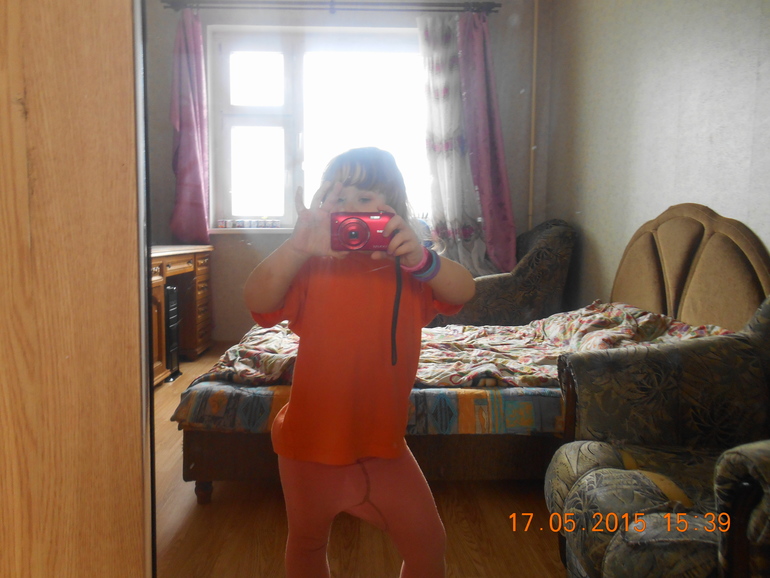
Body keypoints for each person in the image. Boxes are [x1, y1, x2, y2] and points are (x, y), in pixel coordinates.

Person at [243, 147, 475, 578]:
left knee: (428, 543)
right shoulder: (312, 266)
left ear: (392, 210)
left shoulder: (410, 270)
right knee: (308, 542)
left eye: (365, 198)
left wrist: (422, 259)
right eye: (337, 197)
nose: (349, 206)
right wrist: (296, 248)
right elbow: (257, 300)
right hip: (309, 446)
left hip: (383, 447)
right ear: (322, 206)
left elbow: (464, 290)